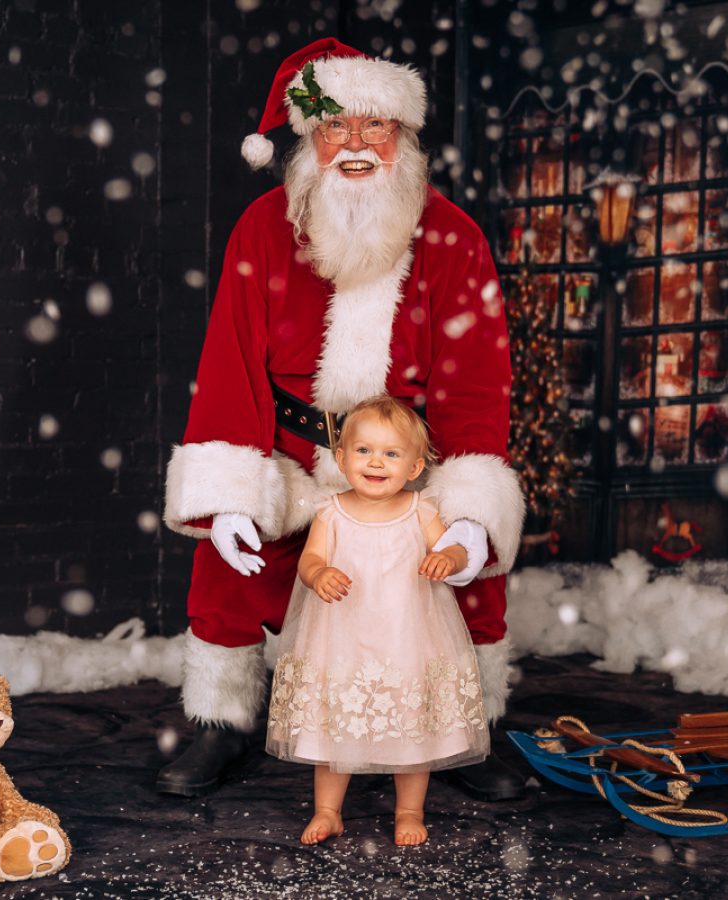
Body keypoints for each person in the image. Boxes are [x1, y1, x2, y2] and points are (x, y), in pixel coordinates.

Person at [159, 38, 526, 801]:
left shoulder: (452, 237)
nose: (355, 146)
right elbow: (231, 359)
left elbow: (477, 380)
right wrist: (230, 490)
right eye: (335, 129)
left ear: (404, 135)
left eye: (375, 128)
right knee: (227, 567)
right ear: (308, 137)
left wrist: (467, 510)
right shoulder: (264, 228)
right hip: (294, 451)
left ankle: (467, 726)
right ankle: (223, 722)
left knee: (466, 583)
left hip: (408, 463)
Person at [265, 396, 489, 846]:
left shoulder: (420, 509)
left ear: (413, 468)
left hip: (408, 637)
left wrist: (448, 556)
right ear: (342, 458)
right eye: (364, 451)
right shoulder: (331, 512)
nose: (376, 462)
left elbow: (457, 548)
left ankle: (409, 811)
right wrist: (319, 573)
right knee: (332, 724)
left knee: (413, 723)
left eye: (391, 454)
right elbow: (310, 560)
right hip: (342, 639)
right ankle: (328, 811)